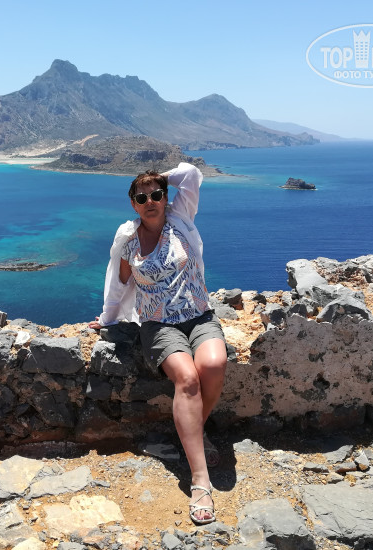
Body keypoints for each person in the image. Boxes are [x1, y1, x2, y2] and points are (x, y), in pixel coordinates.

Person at [89, 162, 227, 525]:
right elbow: (119, 285)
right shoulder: (128, 242)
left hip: (199, 315)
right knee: (188, 379)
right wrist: (107, 318)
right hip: (158, 324)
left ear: (166, 198)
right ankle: (200, 480)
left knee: (213, 365)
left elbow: (191, 175)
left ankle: (192, 431)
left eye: (157, 195)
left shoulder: (181, 218)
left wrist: (158, 177)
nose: (150, 201)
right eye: (142, 197)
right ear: (133, 204)